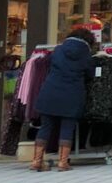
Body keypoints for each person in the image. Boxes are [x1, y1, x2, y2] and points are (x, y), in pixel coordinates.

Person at [29, 27, 96, 172]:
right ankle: (62, 162)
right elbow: (91, 74)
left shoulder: (58, 50)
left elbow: (48, 66)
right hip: (72, 95)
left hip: (50, 92)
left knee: (45, 127)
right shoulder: (86, 54)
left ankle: (37, 161)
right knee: (67, 128)